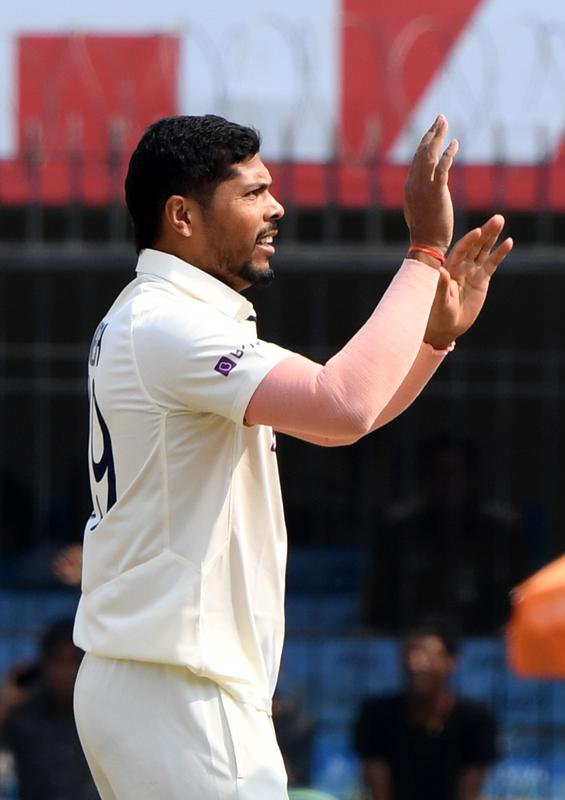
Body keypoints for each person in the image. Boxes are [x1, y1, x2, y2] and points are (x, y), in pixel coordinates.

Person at [73, 112, 512, 799]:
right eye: (251, 193)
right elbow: (342, 401)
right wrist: (426, 251)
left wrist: (431, 343)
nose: (276, 207)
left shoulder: (163, 315)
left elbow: (340, 424)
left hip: (167, 683)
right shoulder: (167, 322)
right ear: (182, 215)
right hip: (179, 686)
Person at [363, 433, 529, 635]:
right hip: (412, 637)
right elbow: (381, 598)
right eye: (439, 472)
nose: (447, 482)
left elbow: (518, 591)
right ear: (425, 477)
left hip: (486, 636)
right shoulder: (400, 529)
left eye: (456, 472)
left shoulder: (500, 530)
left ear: (471, 477)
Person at [353, 625, 498, 800]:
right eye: (409, 653)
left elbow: (469, 793)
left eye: (427, 655)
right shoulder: (376, 716)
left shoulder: (476, 720)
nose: (415, 663)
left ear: (451, 661)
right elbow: (379, 792)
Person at [0, 619, 98, 800]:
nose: (65, 671)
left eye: (74, 661)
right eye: (58, 661)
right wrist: (6, 703)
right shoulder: (24, 715)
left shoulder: (99, 717)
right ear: (44, 664)